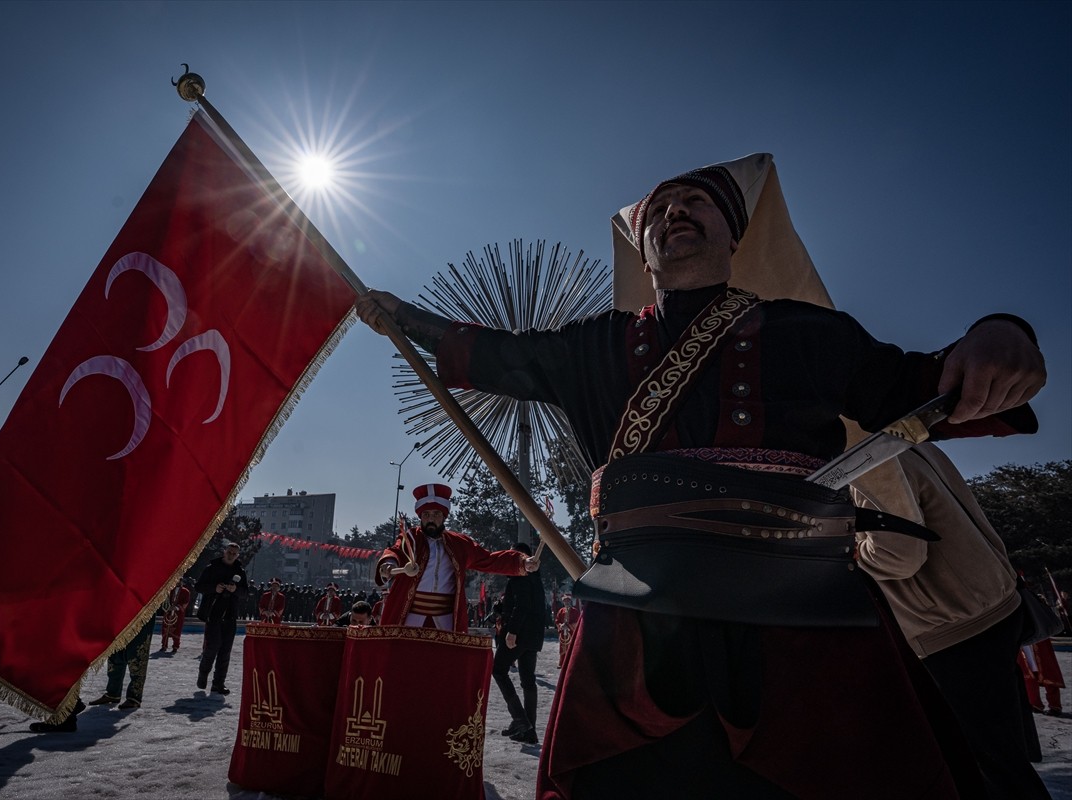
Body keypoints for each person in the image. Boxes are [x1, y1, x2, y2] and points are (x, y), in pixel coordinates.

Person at [356, 157, 1045, 798]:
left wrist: (1001, 334)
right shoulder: (591, 346)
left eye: (696, 202)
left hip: (803, 623)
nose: (675, 213)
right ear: (645, 245)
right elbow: (491, 354)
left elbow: (924, 386)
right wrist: (404, 316)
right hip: (638, 624)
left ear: (731, 234)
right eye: (659, 209)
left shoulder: (807, 333)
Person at [854, 443, 1051, 799]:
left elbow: (899, 556)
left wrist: (847, 552)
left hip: (953, 627)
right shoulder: (907, 439)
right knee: (1002, 758)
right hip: (990, 607)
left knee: (986, 769)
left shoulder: (864, 455)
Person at [374, 483, 538, 632]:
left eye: (436, 514)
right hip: (410, 615)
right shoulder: (411, 538)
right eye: (426, 514)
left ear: (444, 516)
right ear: (420, 516)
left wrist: (523, 562)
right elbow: (395, 551)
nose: (431, 519)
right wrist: (388, 565)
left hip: (446, 618)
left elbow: (489, 560)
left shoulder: (459, 543)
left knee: (445, 662)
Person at [492, 541, 547, 744]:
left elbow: (522, 605)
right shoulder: (535, 577)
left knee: (498, 670)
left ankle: (520, 719)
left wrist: (512, 631)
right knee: (528, 680)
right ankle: (529, 730)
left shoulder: (520, 572)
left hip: (520, 633)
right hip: (533, 636)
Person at [195, 540, 248, 696]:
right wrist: (214, 588)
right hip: (213, 614)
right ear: (224, 551)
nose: (231, 555)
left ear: (237, 555)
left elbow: (245, 593)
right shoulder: (212, 568)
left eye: (234, 553)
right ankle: (203, 674)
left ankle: (218, 684)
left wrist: (235, 589)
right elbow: (198, 587)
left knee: (225, 651)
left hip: (230, 615)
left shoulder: (240, 571)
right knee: (212, 647)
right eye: (229, 552)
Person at [89, 612, 157, 710]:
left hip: (142, 611)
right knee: (115, 652)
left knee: (137, 653)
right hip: (121, 610)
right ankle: (113, 693)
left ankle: (134, 697)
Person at [160, 579, 192, 653]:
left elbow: (186, 602)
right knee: (165, 628)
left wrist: (177, 607)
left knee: (177, 629)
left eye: (179, 580)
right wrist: (168, 607)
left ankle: (175, 646)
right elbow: (165, 599)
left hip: (178, 613)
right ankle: (164, 645)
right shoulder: (169, 589)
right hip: (168, 612)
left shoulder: (186, 591)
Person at [553, 594, 581, 670]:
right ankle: (562, 663)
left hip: (571, 632)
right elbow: (557, 620)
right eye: (565, 601)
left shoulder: (575, 611)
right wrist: (561, 625)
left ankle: (570, 663)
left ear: (570, 601)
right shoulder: (561, 611)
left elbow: (577, 622)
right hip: (563, 632)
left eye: (568, 601)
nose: (566, 602)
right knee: (562, 647)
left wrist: (568, 626)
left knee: (571, 647)